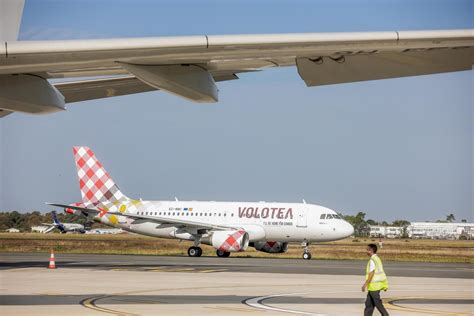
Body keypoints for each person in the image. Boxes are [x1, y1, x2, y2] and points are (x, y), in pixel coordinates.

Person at [362, 243, 389, 316]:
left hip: (374, 286)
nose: (366, 251)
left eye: (367, 250)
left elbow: (372, 273)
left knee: (377, 303)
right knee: (369, 304)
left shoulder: (372, 260)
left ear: (371, 250)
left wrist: (365, 284)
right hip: (374, 286)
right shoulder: (377, 258)